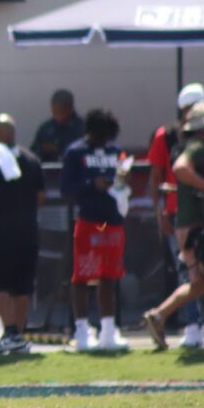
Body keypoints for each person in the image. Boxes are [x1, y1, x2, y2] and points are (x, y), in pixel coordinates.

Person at [144, 102, 204, 355]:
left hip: (194, 224)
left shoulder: (198, 147)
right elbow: (180, 169)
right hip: (198, 227)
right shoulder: (197, 147)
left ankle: (160, 316)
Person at [0, 114, 45, 354]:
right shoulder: (32, 159)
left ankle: (11, 332)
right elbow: (41, 197)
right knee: (21, 286)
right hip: (28, 231)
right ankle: (18, 336)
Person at [60, 108, 130, 352]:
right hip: (89, 220)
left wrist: (121, 182)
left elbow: (121, 178)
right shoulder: (75, 152)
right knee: (82, 276)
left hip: (112, 220)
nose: (104, 140)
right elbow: (65, 187)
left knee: (109, 276)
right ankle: (81, 331)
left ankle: (108, 331)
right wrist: (92, 183)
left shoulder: (114, 151)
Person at [30, 89, 85, 162]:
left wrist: (60, 150)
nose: (58, 114)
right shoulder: (45, 128)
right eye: (55, 110)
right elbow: (32, 153)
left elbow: (87, 151)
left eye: (62, 111)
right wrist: (42, 149)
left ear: (70, 108)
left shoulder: (82, 127)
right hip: (49, 169)